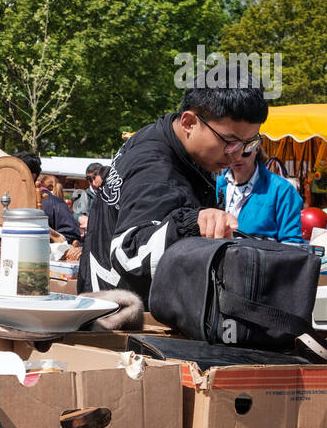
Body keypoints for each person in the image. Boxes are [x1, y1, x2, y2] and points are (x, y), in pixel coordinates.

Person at [79, 79, 268, 301]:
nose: (236, 155)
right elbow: (129, 254)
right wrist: (189, 223)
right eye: (229, 142)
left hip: (110, 302)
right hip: (123, 317)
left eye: (249, 144)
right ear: (189, 122)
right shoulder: (156, 171)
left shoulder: (163, 135)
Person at [215, 151, 304, 243]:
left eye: (245, 152)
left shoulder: (282, 189)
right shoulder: (214, 185)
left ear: (256, 148)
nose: (238, 158)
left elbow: (291, 242)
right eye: (233, 152)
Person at [15, 153, 81, 245]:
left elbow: (72, 237)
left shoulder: (54, 203)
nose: (10, 176)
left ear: (32, 176)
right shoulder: (5, 200)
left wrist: (47, 237)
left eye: (15, 172)